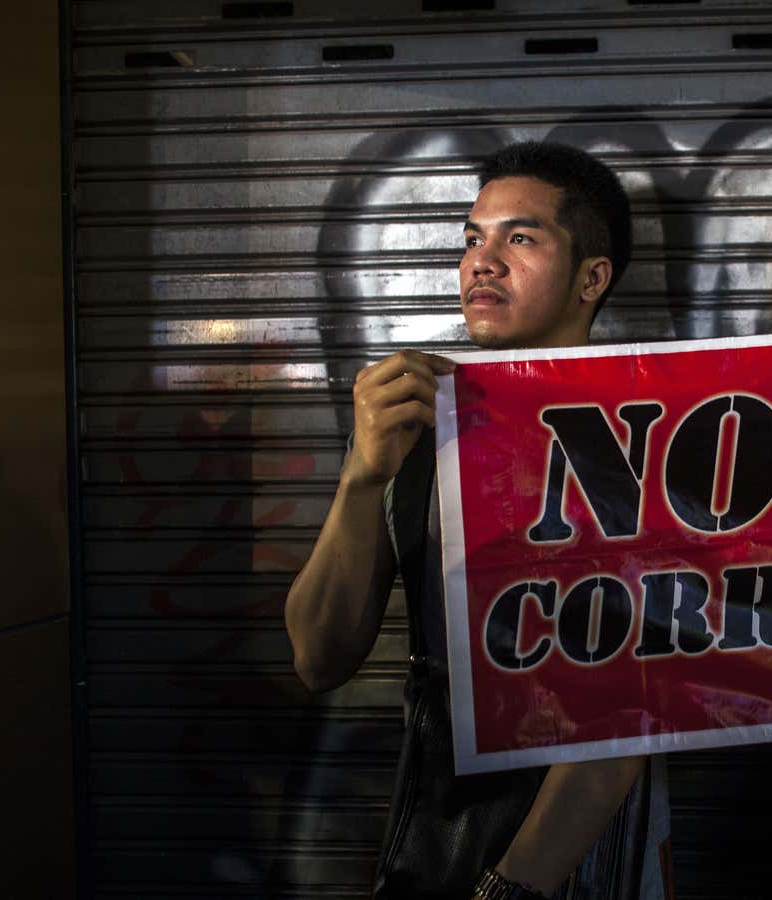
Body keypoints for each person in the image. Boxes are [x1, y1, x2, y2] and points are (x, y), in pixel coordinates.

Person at [285, 141, 656, 900]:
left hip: (590, 863)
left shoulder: (650, 436)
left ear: (593, 276)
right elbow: (318, 658)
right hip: (439, 840)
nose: (482, 262)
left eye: (519, 238)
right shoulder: (420, 425)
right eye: (472, 238)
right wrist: (363, 477)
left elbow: (631, 710)